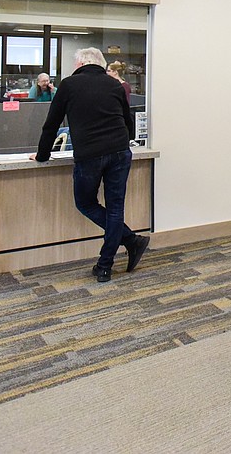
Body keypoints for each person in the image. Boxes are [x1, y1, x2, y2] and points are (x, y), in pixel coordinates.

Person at [32, 47, 149, 283]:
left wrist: (42, 155)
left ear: (80, 64)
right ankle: (112, 259)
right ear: (100, 64)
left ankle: (127, 245)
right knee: (115, 208)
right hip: (119, 152)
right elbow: (127, 122)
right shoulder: (115, 85)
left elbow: (51, 124)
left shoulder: (69, 85)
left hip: (90, 154)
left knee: (86, 203)